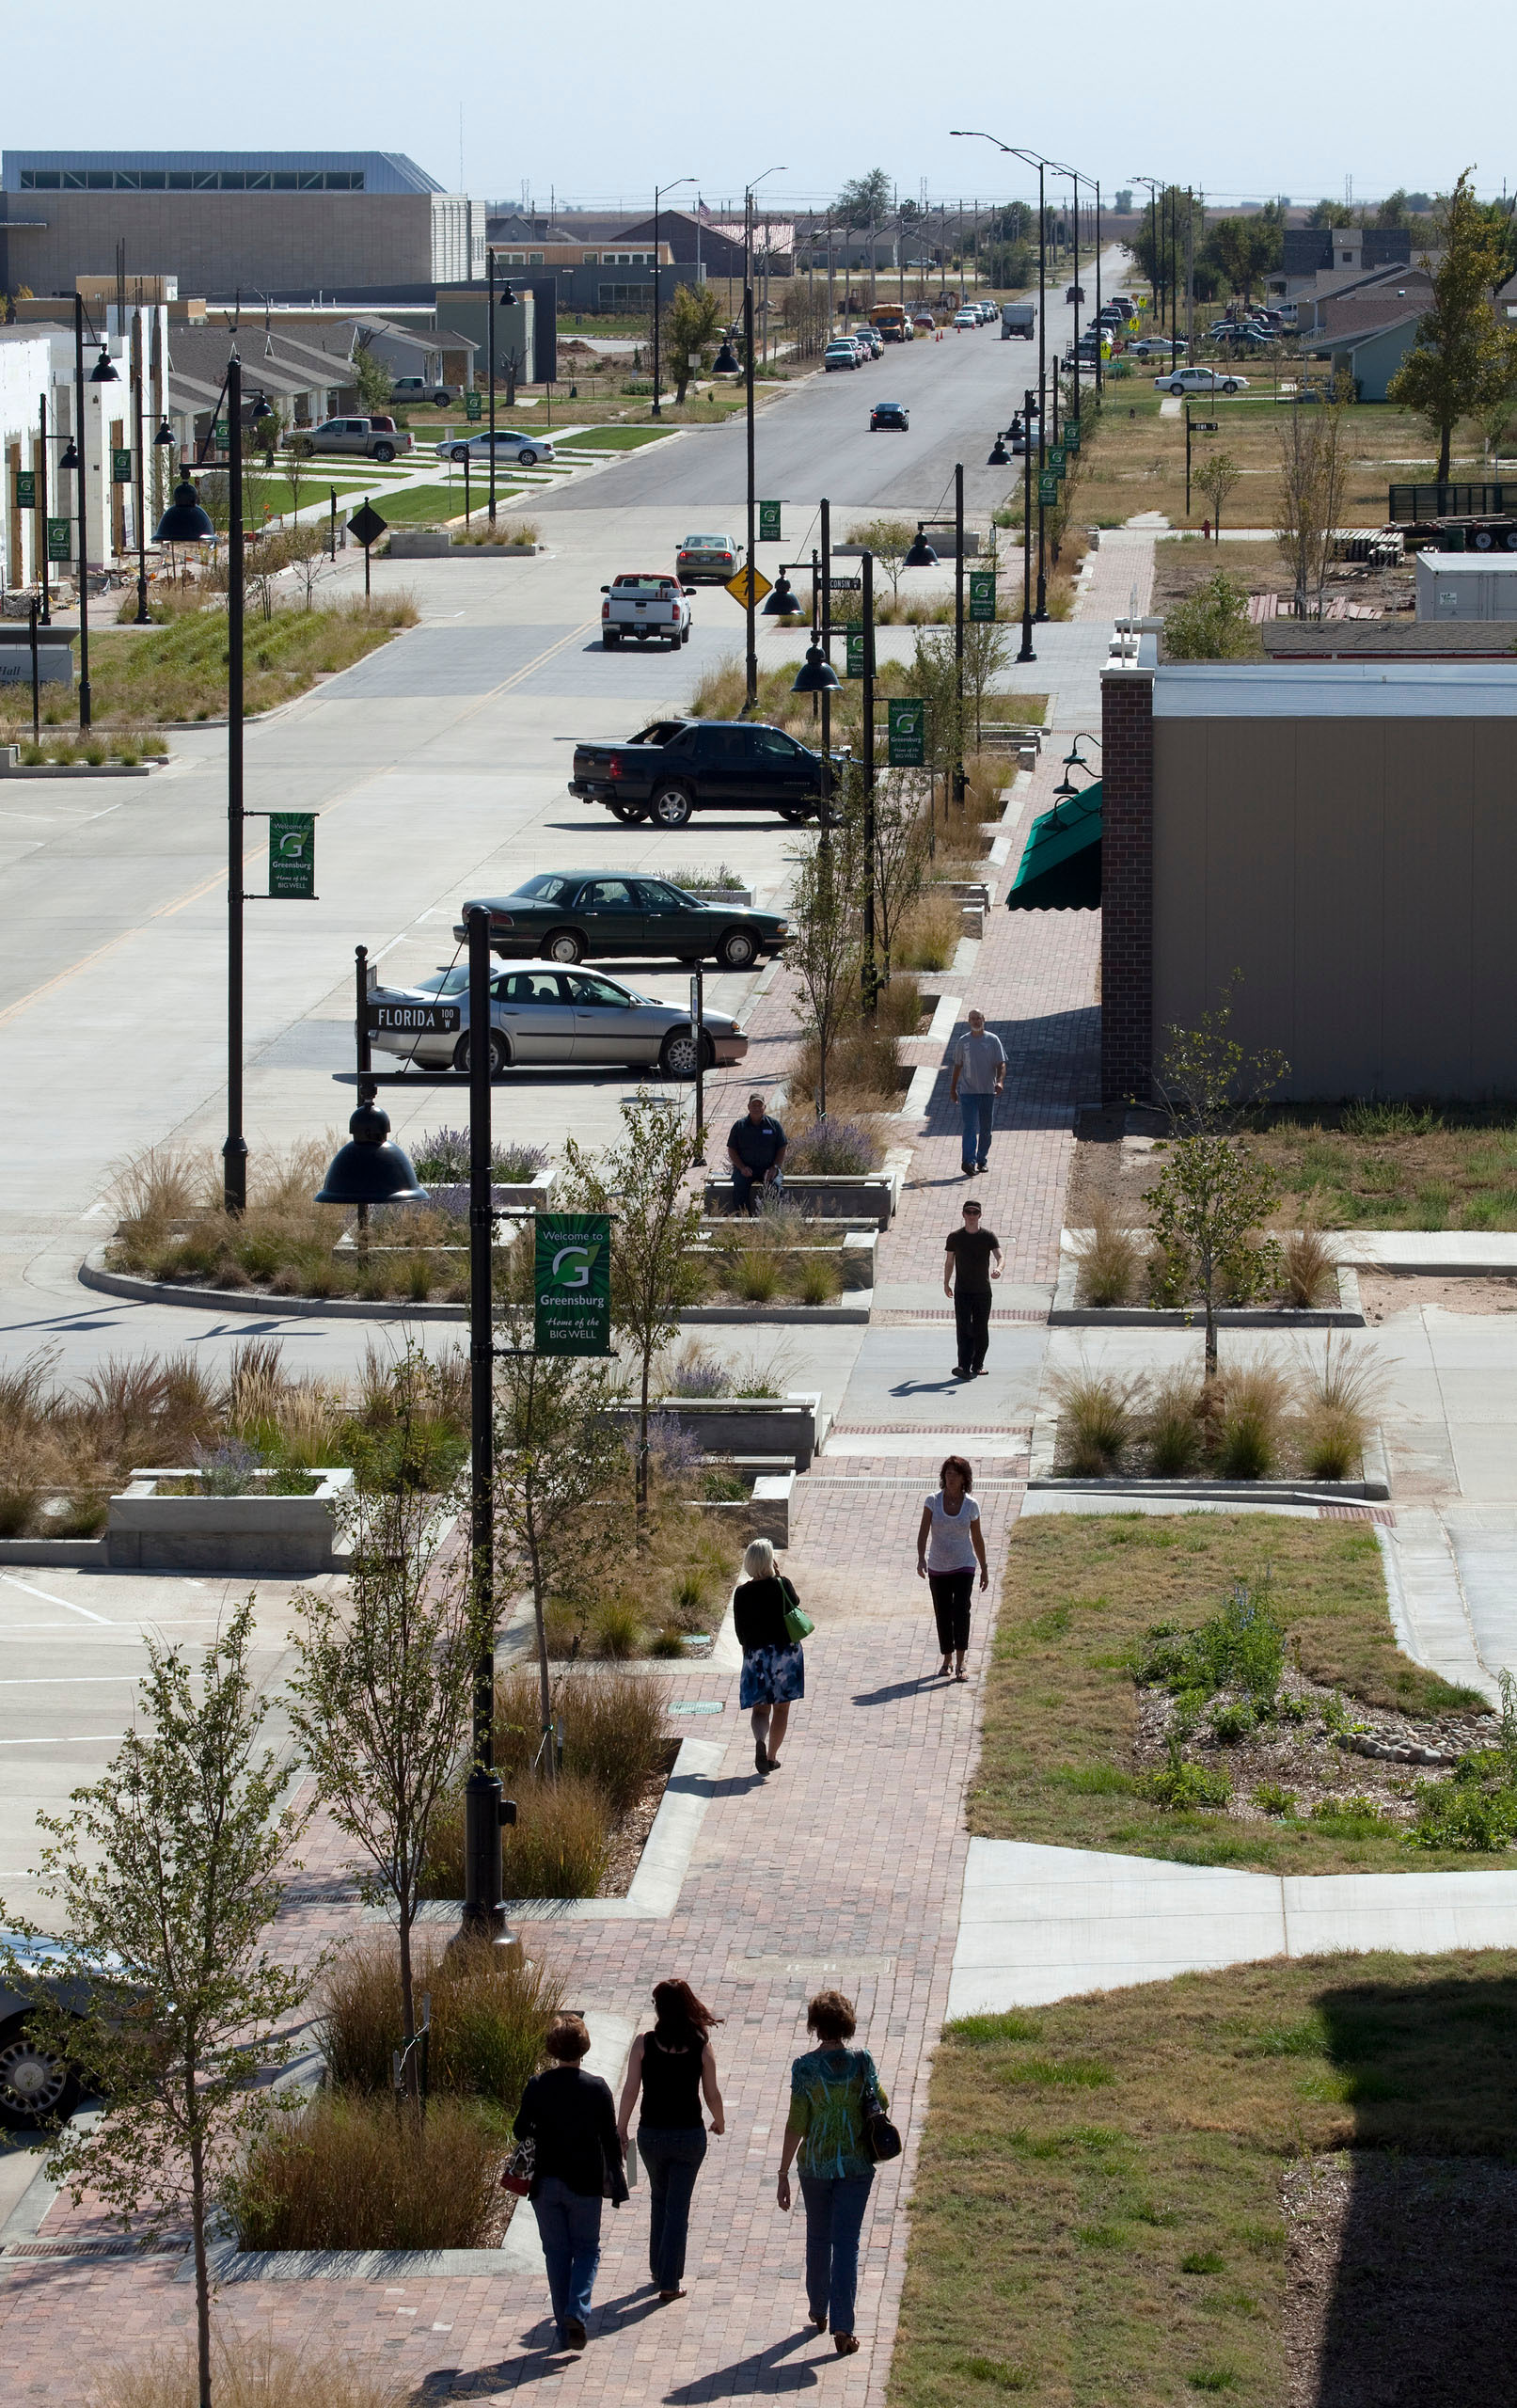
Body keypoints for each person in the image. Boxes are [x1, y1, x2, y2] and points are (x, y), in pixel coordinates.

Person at [776, 1989, 889, 2356]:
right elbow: (882, 2101)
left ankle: (817, 2308)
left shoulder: (804, 2067)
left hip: (815, 2166)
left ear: (815, 2025)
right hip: (856, 2164)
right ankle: (844, 2327)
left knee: (818, 2237)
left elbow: (797, 2122)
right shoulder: (861, 2060)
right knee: (847, 2244)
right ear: (847, 2024)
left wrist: (782, 2172)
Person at [513, 2013, 627, 2353]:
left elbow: (520, 2130)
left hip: (545, 2183)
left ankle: (565, 2333)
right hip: (585, 2184)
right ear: (584, 2048)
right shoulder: (596, 2088)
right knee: (588, 2250)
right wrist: (620, 2181)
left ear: (552, 2049)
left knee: (556, 2254)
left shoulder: (537, 2085)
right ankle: (577, 2311)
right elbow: (610, 2138)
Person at [616, 1979, 726, 2303]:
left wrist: (621, 2128)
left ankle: (658, 2267)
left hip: (651, 2136)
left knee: (659, 2200)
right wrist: (719, 2121)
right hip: (690, 2136)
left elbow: (630, 2090)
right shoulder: (700, 2044)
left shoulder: (643, 2044)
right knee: (679, 2207)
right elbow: (711, 2092)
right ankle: (669, 2281)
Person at [733, 1535, 804, 1776]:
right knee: (781, 1710)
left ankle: (760, 1741)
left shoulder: (741, 1594)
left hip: (757, 1657)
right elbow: (794, 1604)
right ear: (770, 1561)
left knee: (760, 1710)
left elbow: (741, 1634)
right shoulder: (782, 1585)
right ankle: (772, 1757)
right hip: (785, 1655)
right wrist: (779, 1575)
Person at [916, 1454, 988, 1680]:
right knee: (943, 1613)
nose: (951, 1478)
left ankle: (960, 1662)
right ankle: (946, 1658)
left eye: (955, 1474)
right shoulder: (933, 1501)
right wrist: (921, 1557)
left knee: (961, 1611)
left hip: (964, 1565)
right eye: (948, 1474)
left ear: (964, 1479)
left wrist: (984, 1567)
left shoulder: (971, 1505)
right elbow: (923, 1532)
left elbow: (977, 1538)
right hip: (938, 1567)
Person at [943, 1199, 1003, 1379]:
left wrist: (998, 1269)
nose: (971, 1216)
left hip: (982, 1291)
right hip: (962, 1291)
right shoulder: (955, 1237)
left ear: (980, 1215)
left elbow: (1001, 1257)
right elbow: (949, 1261)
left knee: (980, 1329)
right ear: (963, 1215)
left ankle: (977, 1365)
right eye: (968, 1213)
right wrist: (946, 1283)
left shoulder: (988, 1236)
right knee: (963, 1329)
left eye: (974, 1213)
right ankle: (963, 1366)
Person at [948, 1008, 1005, 1178]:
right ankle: (968, 1162)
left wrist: (1000, 1081)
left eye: (978, 1018)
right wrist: (953, 1089)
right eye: (972, 1019)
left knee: (986, 1129)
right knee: (969, 1128)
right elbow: (958, 1066)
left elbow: (1001, 1064)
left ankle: (982, 1160)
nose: (975, 1021)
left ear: (983, 1020)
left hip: (987, 1092)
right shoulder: (963, 1042)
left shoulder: (993, 1040)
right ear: (968, 1021)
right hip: (968, 1093)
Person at [728, 1093, 787, 1215]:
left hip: (768, 1168)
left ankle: (773, 1219)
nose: (756, 1108)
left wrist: (775, 1167)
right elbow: (732, 1149)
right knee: (739, 1189)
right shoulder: (739, 1126)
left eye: (759, 1105)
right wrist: (741, 1167)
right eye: (753, 1105)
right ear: (748, 1107)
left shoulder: (774, 1125)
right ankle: (744, 1221)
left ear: (764, 1108)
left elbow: (782, 1146)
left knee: (776, 1188)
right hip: (746, 1168)